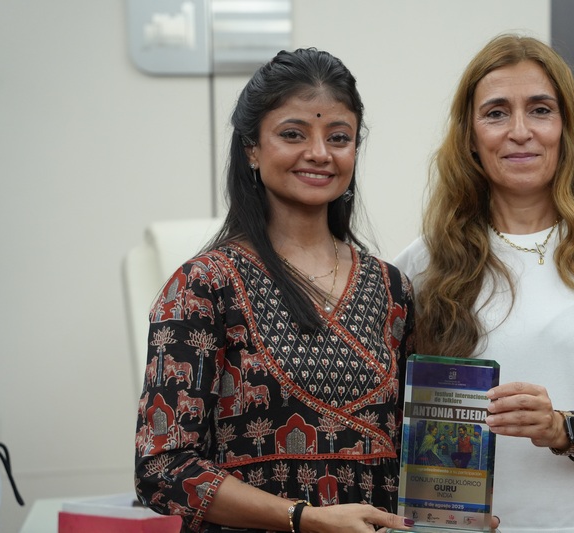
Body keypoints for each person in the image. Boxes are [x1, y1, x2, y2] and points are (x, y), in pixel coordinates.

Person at [394, 33, 574, 531]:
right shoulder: (423, 265)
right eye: (496, 113)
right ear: (469, 136)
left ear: (566, 127)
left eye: (541, 110)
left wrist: (561, 427)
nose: (520, 131)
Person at [134, 48, 417, 533]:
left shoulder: (392, 288)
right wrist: (304, 519)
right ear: (251, 148)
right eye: (293, 134)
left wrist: (458, 510)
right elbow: (162, 470)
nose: (320, 153)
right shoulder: (203, 286)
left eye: (339, 137)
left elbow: (417, 447)